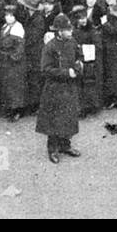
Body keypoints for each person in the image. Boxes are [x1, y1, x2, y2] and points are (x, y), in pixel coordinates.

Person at [36, 14, 82, 163]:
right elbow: (45, 69)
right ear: (59, 31)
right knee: (54, 120)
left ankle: (65, 145)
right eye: (67, 30)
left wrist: (78, 66)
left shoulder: (73, 42)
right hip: (54, 88)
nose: (71, 32)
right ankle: (52, 149)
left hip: (69, 87)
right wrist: (65, 72)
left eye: (71, 29)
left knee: (68, 117)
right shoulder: (50, 47)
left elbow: (79, 57)